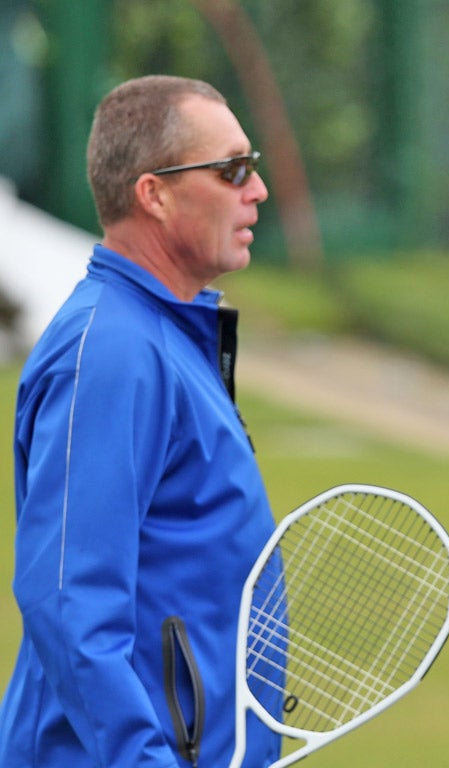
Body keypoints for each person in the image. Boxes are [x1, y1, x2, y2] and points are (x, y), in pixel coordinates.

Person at [0, 75, 281, 767]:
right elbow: (68, 604)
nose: (258, 190)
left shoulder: (158, 335)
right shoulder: (111, 355)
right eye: (232, 170)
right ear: (153, 193)